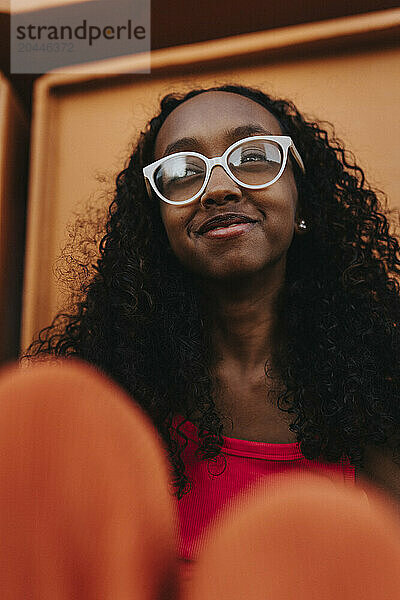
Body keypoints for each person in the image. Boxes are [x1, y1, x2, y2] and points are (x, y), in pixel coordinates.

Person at [22, 84, 400, 574]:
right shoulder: (112, 394)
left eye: (255, 156)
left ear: (303, 200)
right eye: (181, 172)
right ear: (156, 222)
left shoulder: (381, 388)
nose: (219, 188)